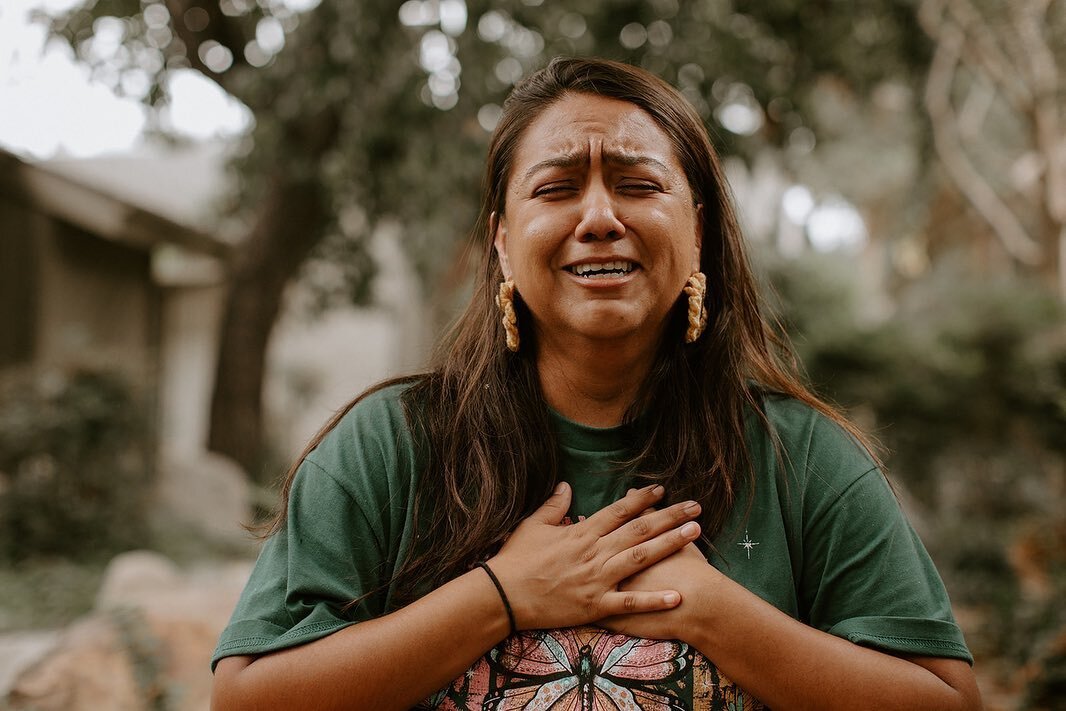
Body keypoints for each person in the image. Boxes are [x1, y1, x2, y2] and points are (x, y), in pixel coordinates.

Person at [211, 57, 981, 710]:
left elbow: (946, 698)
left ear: (699, 231)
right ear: (504, 244)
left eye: (638, 183)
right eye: (556, 188)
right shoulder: (392, 445)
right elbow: (247, 696)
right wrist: (503, 596)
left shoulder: (802, 461)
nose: (600, 216)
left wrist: (715, 613)